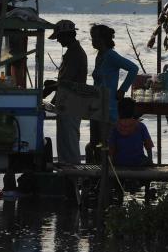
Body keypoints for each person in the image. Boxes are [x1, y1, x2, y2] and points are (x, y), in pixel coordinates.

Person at [90, 24, 139, 162]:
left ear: (103, 39)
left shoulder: (111, 55)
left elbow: (133, 69)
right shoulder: (99, 56)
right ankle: (97, 177)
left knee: (106, 145)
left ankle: (107, 177)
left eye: (94, 38)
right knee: (95, 143)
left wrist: (122, 89)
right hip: (96, 106)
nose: (92, 41)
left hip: (108, 108)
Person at [44, 19, 88, 165]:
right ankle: (68, 174)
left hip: (72, 102)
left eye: (59, 37)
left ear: (68, 35)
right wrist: (52, 85)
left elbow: (67, 82)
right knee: (64, 141)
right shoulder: (72, 52)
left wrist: (50, 88)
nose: (58, 41)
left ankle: (74, 174)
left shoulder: (75, 53)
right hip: (66, 102)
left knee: (69, 142)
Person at [109, 98, 154, 166]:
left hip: (120, 162)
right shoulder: (140, 126)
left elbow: (111, 148)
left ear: (118, 111)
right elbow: (148, 145)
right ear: (133, 111)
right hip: (139, 162)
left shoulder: (115, 127)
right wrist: (150, 161)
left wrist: (111, 164)